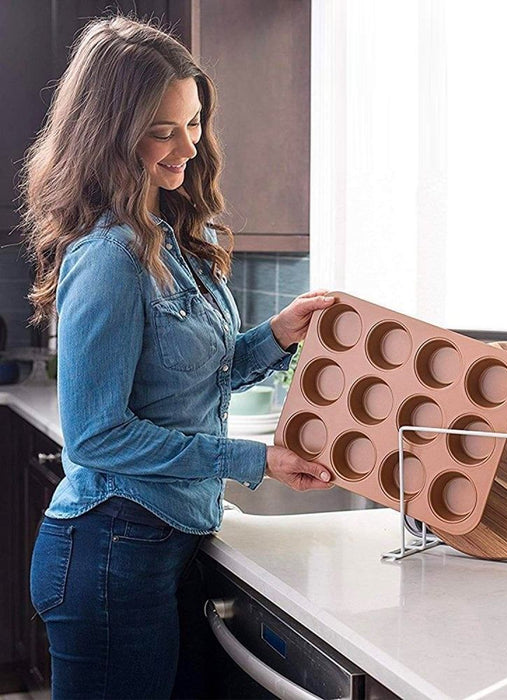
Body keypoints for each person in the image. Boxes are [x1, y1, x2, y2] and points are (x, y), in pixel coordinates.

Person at [21, 15, 334, 700]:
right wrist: (255, 460)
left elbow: (200, 376)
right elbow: (99, 435)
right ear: (110, 133)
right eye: (164, 129)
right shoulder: (110, 257)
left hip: (153, 546)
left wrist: (278, 335)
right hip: (108, 554)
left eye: (193, 123)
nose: (187, 146)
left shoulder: (170, 236)